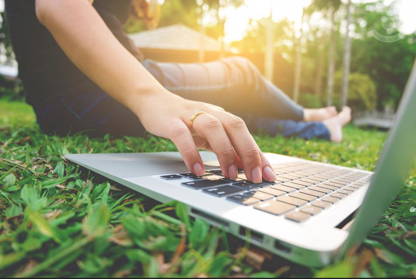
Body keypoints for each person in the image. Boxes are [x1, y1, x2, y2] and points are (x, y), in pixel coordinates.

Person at [4, 0, 351, 184]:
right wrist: (149, 97)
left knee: (219, 121)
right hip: (97, 87)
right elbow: (59, 5)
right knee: (242, 71)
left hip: (61, 112)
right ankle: (309, 114)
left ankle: (320, 129)